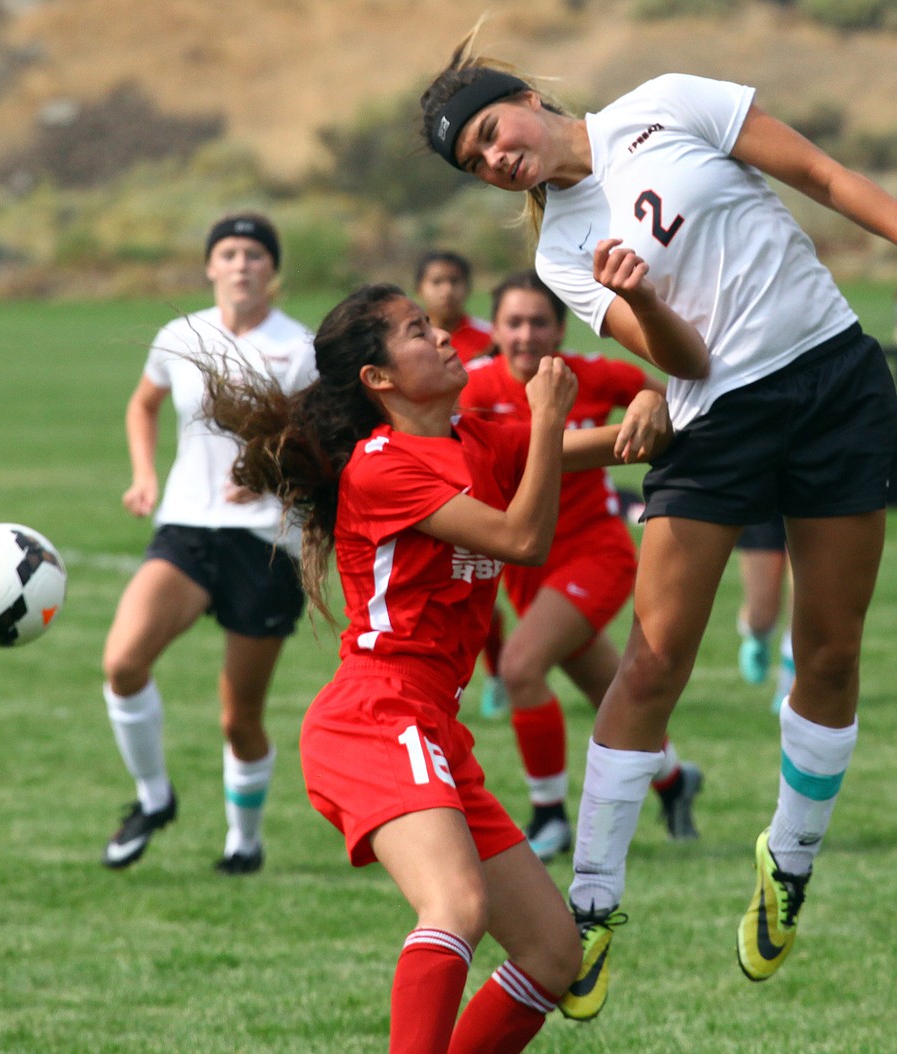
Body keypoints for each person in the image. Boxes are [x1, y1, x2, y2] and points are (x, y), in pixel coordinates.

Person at [419, 28, 897, 1016]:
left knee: (831, 652)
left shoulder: (670, 99)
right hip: (717, 421)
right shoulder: (560, 246)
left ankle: (789, 861)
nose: (498, 160)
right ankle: (590, 907)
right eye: (477, 164)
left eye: (493, 133)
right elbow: (689, 361)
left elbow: (827, 178)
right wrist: (641, 299)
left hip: (836, 382)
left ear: (530, 100)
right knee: (655, 660)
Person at [198, 283, 672, 1050]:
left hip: (432, 728)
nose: (445, 335)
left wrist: (653, 410)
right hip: (376, 716)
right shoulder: (382, 468)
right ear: (378, 380)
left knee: (554, 953)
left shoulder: (478, 438)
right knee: (455, 906)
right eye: (418, 331)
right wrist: (550, 414)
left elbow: (624, 442)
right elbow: (522, 540)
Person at [459, 269, 702, 861]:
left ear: (561, 328)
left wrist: (648, 397)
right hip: (524, 561)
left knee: (519, 668)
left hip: (596, 551)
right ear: (495, 330)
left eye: (538, 322)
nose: (525, 335)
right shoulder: (472, 388)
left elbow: (676, 393)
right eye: (512, 323)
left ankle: (548, 814)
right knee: (610, 691)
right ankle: (673, 780)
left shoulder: (591, 375)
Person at [100, 213, 316, 875]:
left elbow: (322, 442)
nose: (242, 263)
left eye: (255, 253)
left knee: (238, 719)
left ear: (271, 270)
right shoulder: (179, 335)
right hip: (188, 529)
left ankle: (243, 844)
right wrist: (143, 474)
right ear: (210, 267)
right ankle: (153, 796)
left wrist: (273, 475)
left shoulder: (301, 347)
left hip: (266, 542)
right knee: (122, 664)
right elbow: (144, 403)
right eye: (229, 252)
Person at [414, 248, 510, 719]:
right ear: (421, 289)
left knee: (482, 581)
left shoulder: (492, 340)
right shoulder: (412, 346)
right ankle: (484, 674)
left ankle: (497, 673)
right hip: (432, 473)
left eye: (455, 280)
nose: (446, 289)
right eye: (436, 280)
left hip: (483, 465)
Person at [735, 517, 795, 714]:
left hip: (816, 491)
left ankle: (791, 684)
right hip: (763, 494)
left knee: (806, 596)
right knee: (761, 614)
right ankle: (757, 637)